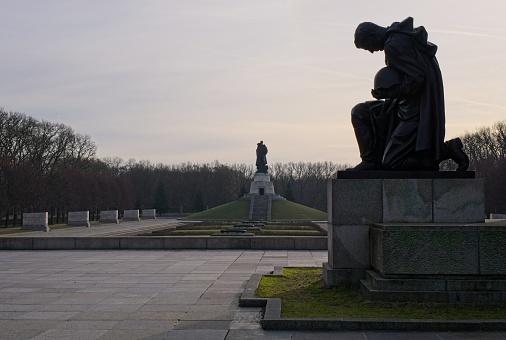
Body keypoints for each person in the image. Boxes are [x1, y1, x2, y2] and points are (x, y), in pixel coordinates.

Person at [349, 17, 468, 171]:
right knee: (361, 112)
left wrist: (389, 92)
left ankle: (447, 150)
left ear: (374, 36)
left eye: (368, 46)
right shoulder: (398, 36)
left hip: (414, 112)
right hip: (403, 105)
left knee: (392, 163)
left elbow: (417, 78)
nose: (372, 51)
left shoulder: (393, 45)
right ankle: (369, 161)